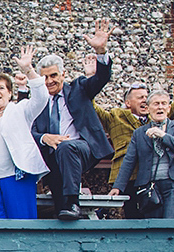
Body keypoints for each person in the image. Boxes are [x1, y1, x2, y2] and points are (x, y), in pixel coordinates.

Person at [31, 19, 114, 220]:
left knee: (67, 147)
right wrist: (45, 138)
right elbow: (29, 129)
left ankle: (73, 202)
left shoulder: (78, 89)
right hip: (53, 156)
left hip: (83, 148)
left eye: (53, 76)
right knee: (60, 206)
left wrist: (101, 51)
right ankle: (66, 211)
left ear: (63, 74)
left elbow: (100, 79)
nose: (49, 81)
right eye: (45, 78)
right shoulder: (39, 102)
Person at [0, 45, 50, 219]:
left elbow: (41, 98)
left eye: (1, 88)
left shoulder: (20, 110)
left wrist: (28, 70)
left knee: (21, 225)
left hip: (16, 178)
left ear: (10, 93)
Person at [107, 89, 174, 219]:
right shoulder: (139, 133)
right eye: (156, 104)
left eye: (163, 103)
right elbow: (129, 160)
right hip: (150, 187)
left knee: (170, 223)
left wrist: (164, 136)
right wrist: (118, 186)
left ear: (169, 108)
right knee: (153, 225)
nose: (160, 107)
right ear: (148, 109)